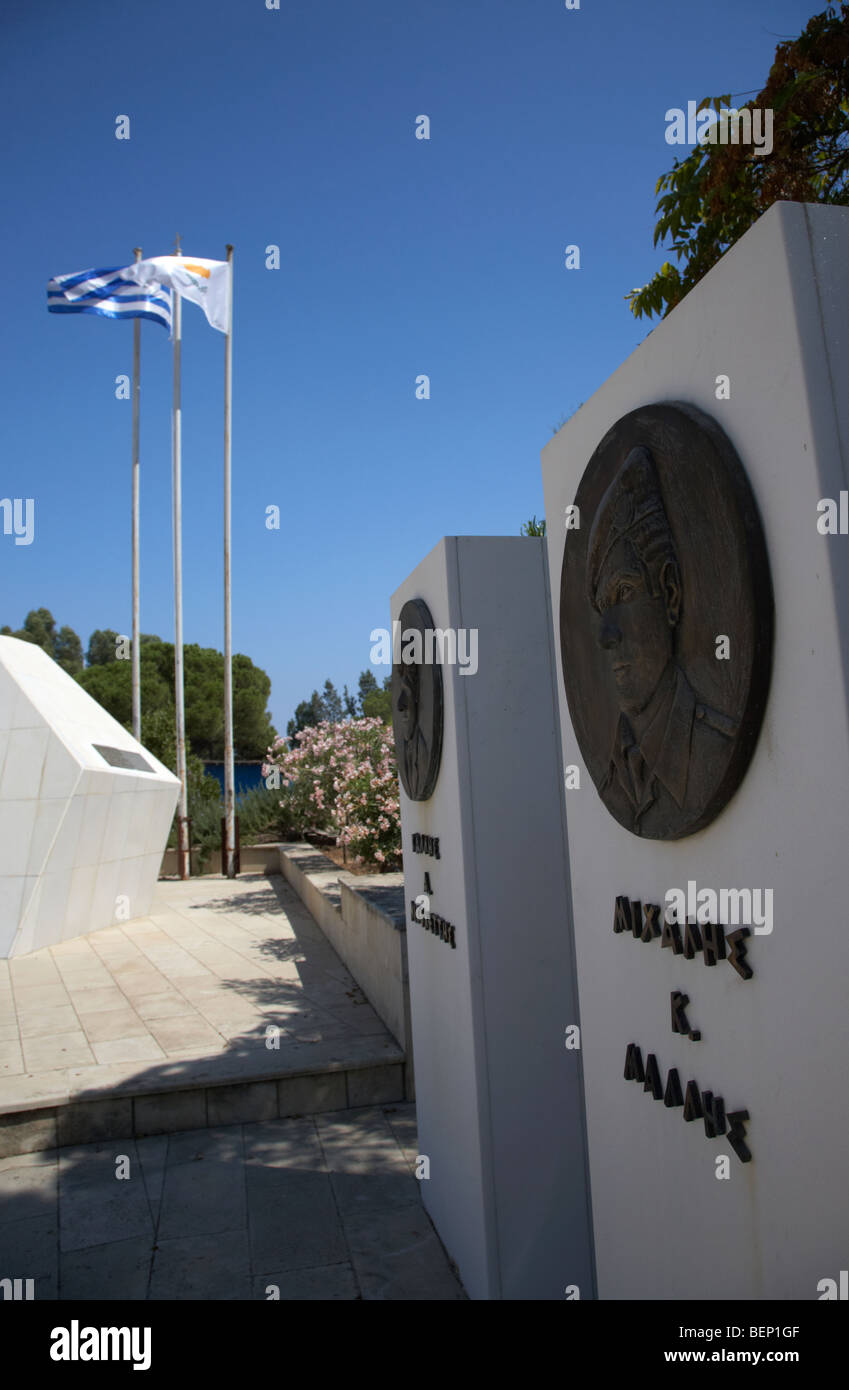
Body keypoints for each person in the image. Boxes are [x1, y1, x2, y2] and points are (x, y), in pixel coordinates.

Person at [587, 444, 737, 838]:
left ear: (669, 593)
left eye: (624, 594)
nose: (607, 635)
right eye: (604, 608)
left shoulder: (715, 748)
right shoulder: (610, 779)